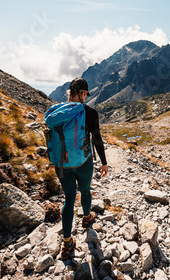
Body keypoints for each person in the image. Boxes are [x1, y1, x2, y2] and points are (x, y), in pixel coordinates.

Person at [55, 77, 108, 260]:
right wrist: (103, 162)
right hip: (83, 162)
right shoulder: (90, 113)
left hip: (62, 163)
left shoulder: (58, 111)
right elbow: (97, 139)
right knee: (85, 191)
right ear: (84, 93)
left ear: (70, 92)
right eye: (86, 93)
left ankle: (67, 243)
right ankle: (87, 218)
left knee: (68, 199)